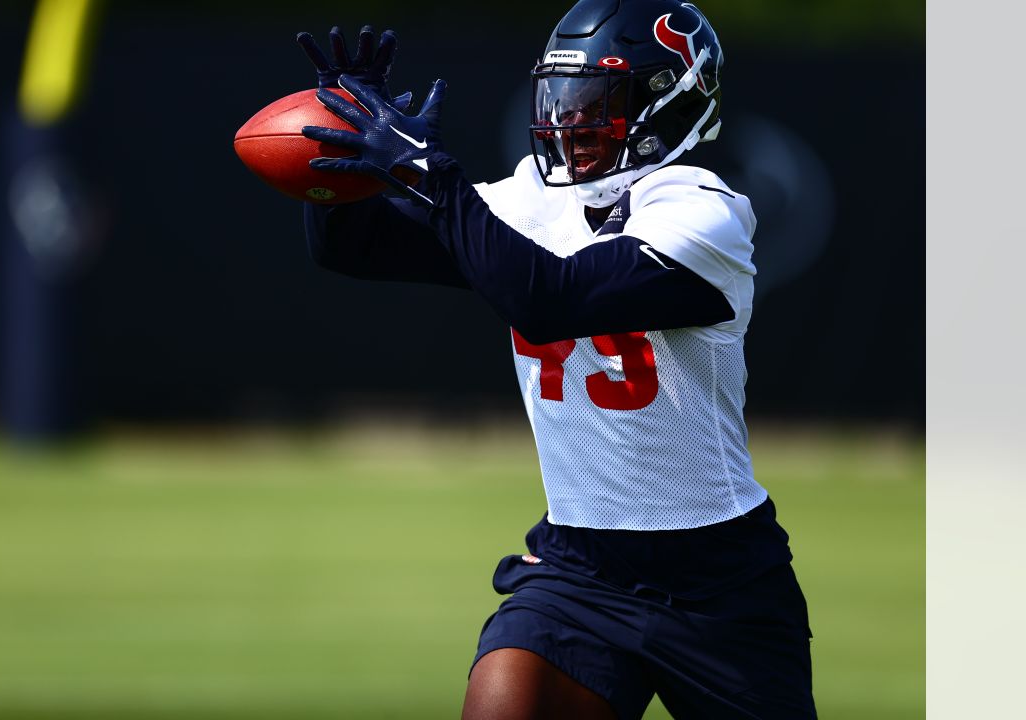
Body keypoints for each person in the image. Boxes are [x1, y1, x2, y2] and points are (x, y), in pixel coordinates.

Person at [294, 1, 816, 717]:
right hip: (579, 569)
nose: (571, 121)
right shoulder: (535, 200)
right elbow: (353, 248)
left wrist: (429, 174)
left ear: (672, 99)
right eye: (562, 98)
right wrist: (338, 162)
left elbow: (550, 298)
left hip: (719, 585)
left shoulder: (707, 214)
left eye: (598, 100)